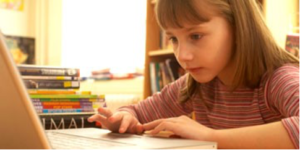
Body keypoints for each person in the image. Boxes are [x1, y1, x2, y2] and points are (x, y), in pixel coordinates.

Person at [88, 0, 300, 149]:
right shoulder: (195, 86)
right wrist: (125, 118)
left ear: (238, 27)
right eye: (173, 39)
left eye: (196, 36)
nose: (182, 55)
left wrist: (211, 137)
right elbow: (137, 112)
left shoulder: (278, 79)